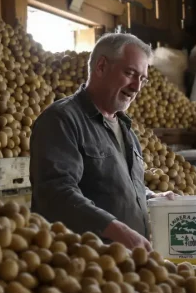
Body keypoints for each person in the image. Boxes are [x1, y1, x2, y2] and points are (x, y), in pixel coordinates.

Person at [30, 33, 174, 250]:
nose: (136, 87)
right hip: (83, 259)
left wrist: (152, 197)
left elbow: (114, 187)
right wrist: (115, 229)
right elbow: (55, 193)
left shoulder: (126, 129)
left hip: (127, 261)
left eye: (142, 79)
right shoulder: (61, 120)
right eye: (130, 73)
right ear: (101, 66)